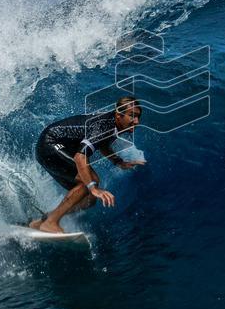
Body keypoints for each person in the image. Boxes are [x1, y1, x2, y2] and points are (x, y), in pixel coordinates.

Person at [29, 96, 144, 233]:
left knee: (90, 198)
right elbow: (80, 157)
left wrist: (118, 162)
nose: (137, 121)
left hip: (56, 148)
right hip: (49, 144)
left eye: (138, 117)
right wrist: (92, 187)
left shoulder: (113, 124)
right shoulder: (104, 127)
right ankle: (51, 222)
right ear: (119, 116)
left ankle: (44, 220)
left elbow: (102, 144)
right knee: (89, 182)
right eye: (132, 116)